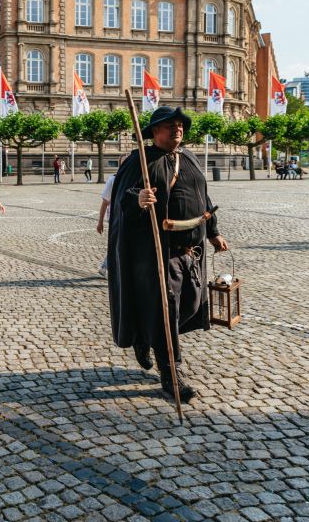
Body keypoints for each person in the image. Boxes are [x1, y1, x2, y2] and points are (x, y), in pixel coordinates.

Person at [108, 106, 229, 403]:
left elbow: (204, 198)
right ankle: (171, 374)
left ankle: (143, 336)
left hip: (191, 252)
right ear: (154, 132)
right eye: (170, 125)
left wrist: (213, 231)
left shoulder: (188, 159)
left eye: (180, 125)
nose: (177, 129)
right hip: (156, 255)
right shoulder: (140, 160)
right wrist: (137, 198)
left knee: (190, 303)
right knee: (165, 311)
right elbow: (122, 196)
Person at [96, 155, 126, 278]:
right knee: (118, 243)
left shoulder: (134, 178)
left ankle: (106, 267)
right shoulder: (113, 180)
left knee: (123, 244)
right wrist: (100, 222)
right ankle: (106, 267)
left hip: (129, 217)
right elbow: (105, 202)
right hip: (115, 217)